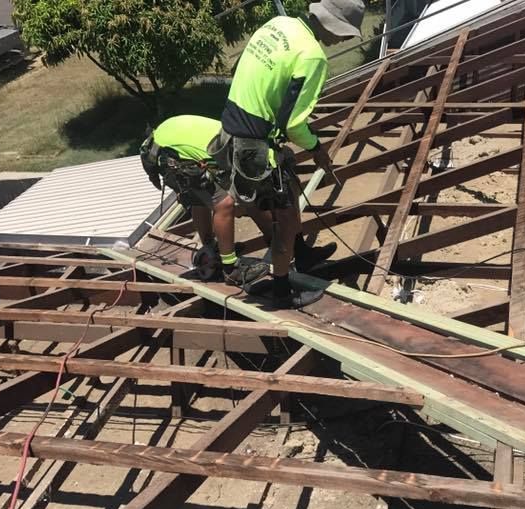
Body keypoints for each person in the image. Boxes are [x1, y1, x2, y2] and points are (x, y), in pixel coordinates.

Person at [213, 0, 364, 308]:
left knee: (288, 190)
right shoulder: (312, 56)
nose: (343, 40)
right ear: (331, 24)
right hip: (254, 146)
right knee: (286, 219)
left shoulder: (278, 25)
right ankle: (282, 290)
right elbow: (295, 123)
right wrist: (317, 149)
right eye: (344, 34)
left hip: (229, 130)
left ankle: (303, 255)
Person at [140, 114, 333, 286]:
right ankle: (231, 270)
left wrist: (283, 242)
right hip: (166, 153)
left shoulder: (250, 143)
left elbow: (253, 201)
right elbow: (254, 201)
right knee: (223, 203)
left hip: (175, 137)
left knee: (204, 197)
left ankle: (213, 248)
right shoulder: (248, 155)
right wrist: (276, 239)